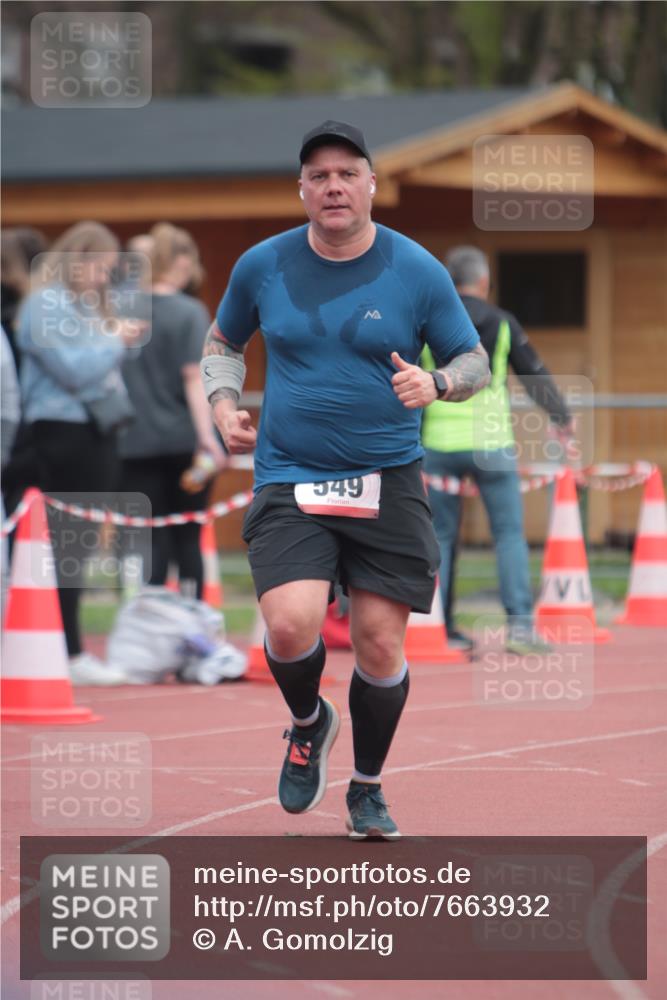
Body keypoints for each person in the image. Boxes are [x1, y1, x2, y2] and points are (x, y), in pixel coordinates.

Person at [201, 121, 490, 839]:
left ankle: (366, 786)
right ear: (302, 190)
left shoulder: (415, 268)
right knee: (291, 624)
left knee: (378, 644)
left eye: (346, 173)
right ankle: (308, 723)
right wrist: (222, 402)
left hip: (386, 477)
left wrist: (439, 382)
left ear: (369, 185)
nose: (332, 186)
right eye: (318, 175)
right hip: (290, 477)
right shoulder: (261, 265)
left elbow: (474, 361)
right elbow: (223, 343)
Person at [421, 245, 576, 655]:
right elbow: (533, 373)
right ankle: (521, 629)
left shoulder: (428, 322)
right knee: (508, 535)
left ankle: (441, 630)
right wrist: (562, 418)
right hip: (492, 445)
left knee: (440, 539)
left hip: (438, 444)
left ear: (448, 282)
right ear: (485, 281)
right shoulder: (502, 322)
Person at [16, 221, 145, 684]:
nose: (102, 279)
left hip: (91, 430)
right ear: (80, 259)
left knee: (79, 544)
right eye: (100, 268)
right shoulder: (45, 304)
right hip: (62, 432)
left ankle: (65, 649)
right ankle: (68, 652)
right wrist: (116, 341)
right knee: (66, 544)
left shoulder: (77, 305)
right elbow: (73, 369)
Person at [119, 223, 226, 597]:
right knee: (188, 537)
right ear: (180, 262)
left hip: (133, 441)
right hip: (182, 440)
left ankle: (152, 624)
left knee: (153, 540)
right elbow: (193, 379)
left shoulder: (125, 311)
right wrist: (207, 438)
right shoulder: (188, 311)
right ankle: (193, 620)